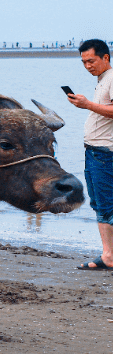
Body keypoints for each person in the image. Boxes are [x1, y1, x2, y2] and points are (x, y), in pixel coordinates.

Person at [68, 38, 113, 271]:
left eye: (91, 61)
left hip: (106, 153)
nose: (87, 66)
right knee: (100, 204)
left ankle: (109, 256)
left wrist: (88, 105)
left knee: (106, 205)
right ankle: (108, 255)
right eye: (84, 62)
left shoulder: (112, 78)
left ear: (106, 57)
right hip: (96, 152)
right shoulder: (102, 80)